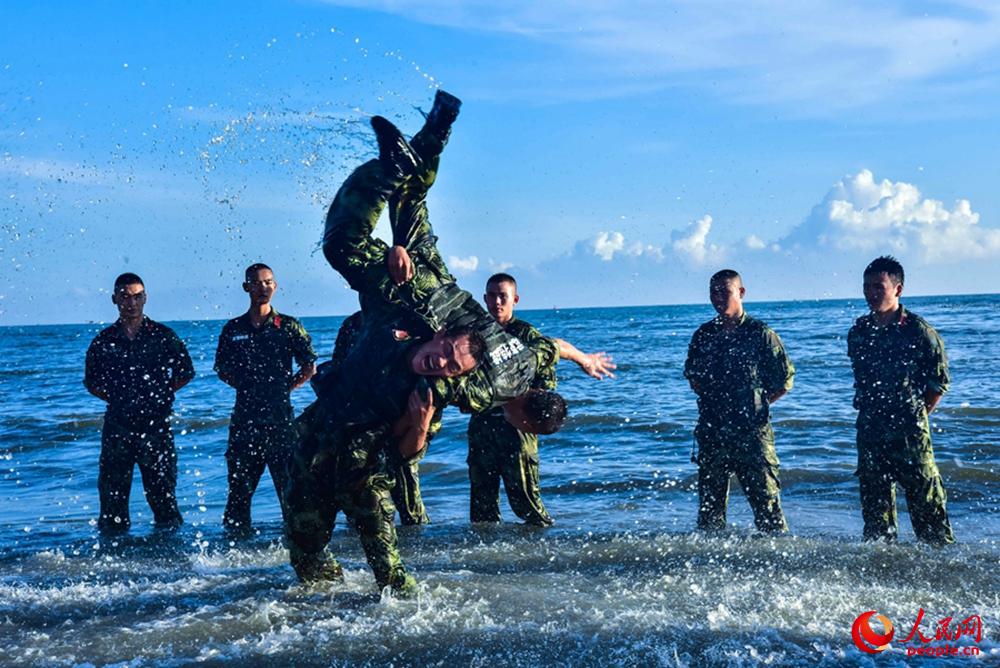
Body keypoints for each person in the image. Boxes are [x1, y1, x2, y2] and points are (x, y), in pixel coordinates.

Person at [283, 91, 566, 595]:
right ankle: (394, 167)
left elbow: (554, 347)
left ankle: (439, 123)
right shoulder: (484, 393)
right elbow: (430, 393)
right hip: (419, 304)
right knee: (341, 243)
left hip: (441, 284)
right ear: (524, 419)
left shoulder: (530, 356)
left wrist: (582, 356)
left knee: (410, 198)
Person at [461, 273, 615, 527]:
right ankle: (483, 561)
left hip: (518, 431)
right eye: (492, 296)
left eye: (503, 296)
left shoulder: (525, 335)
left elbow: (547, 373)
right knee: (482, 509)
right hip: (481, 429)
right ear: (484, 299)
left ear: (515, 299)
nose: (497, 302)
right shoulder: (476, 334)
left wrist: (584, 359)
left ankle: (540, 558)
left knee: (528, 506)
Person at [848, 256, 955, 545]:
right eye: (866, 287)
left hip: (910, 434)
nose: (871, 293)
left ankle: (941, 574)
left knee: (929, 515)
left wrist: (916, 415)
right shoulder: (858, 332)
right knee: (876, 523)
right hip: (871, 433)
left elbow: (938, 383)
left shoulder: (918, 331)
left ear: (898, 289)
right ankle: (884, 577)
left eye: (878, 287)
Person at [684, 269, 794, 534]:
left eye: (725, 291)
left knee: (768, 512)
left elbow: (784, 380)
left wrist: (755, 404)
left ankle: (779, 566)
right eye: (714, 292)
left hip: (752, 435)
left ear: (741, 293)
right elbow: (693, 377)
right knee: (710, 516)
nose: (718, 297)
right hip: (713, 433)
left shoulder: (760, 334)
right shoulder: (704, 335)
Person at [84, 273, 195, 532]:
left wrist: (161, 394)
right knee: (112, 506)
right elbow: (91, 382)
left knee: (164, 502)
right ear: (114, 300)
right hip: (118, 429)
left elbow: (186, 372)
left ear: (145, 298)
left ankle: (170, 562)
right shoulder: (104, 340)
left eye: (136, 297)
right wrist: (119, 399)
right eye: (124, 297)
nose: (130, 303)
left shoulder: (163, 336)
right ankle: (113, 564)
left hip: (156, 429)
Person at [215, 263, 317, 535]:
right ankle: (234, 557)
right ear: (246, 287)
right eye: (257, 283)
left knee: (290, 493)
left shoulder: (288, 326)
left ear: (276, 286)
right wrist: (249, 387)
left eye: (268, 282)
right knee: (238, 497)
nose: (263, 288)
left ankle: (296, 552)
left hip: (280, 423)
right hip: (244, 423)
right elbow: (222, 369)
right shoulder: (233, 329)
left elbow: (309, 366)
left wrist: (284, 389)